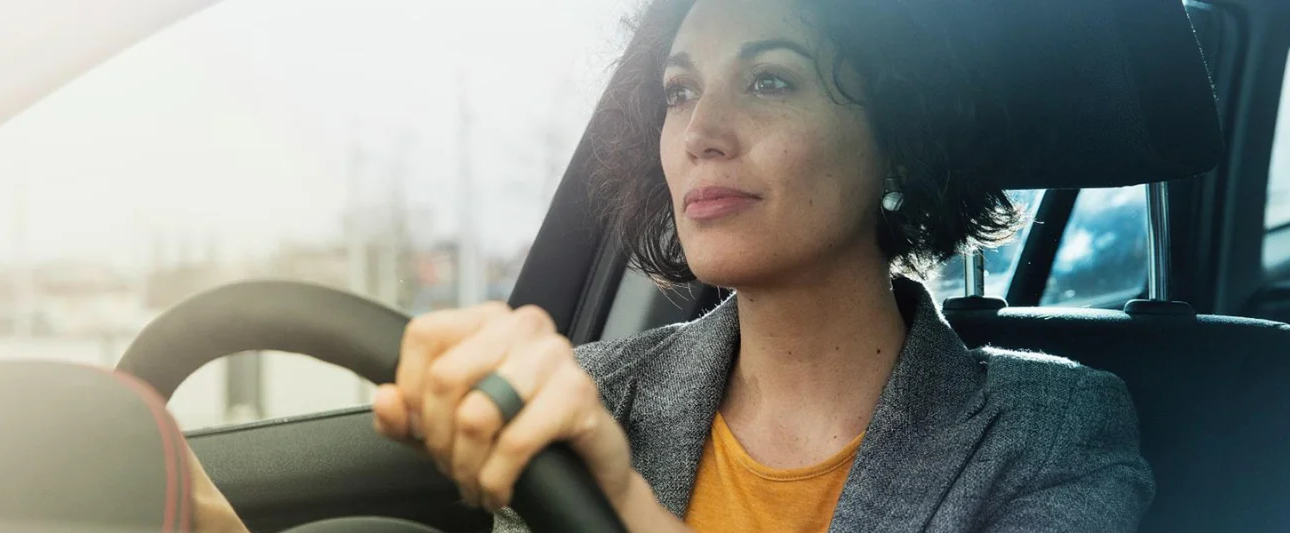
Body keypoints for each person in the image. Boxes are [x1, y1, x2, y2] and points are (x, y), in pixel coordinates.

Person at [370, 0, 1153, 531]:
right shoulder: (590, 397)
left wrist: (621, 510)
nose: (700, 130)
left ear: (901, 143)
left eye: (770, 80)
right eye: (679, 91)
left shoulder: (1054, 433)